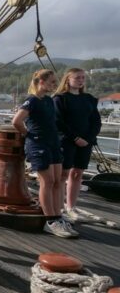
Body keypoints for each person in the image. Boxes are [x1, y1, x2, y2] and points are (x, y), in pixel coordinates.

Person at [12, 69, 78, 238]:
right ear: (41, 82)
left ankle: (58, 216)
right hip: (38, 143)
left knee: (57, 181)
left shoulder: (48, 100)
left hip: (53, 143)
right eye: (52, 82)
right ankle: (51, 221)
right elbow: (17, 121)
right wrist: (28, 134)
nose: (55, 85)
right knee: (47, 182)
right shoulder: (32, 101)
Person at [53, 68, 102, 222]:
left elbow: (96, 121)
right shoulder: (60, 99)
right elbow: (58, 121)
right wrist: (75, 138)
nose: (81, 80)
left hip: (86, 141)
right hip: (67, 141)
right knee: (63, 174)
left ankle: (71, 207)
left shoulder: (89, 99)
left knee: (77, 174)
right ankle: (59, 208)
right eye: (77, 78)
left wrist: (88, 138)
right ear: (68, 79)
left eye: (82, 78)